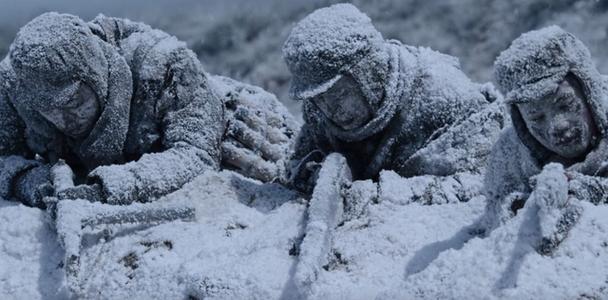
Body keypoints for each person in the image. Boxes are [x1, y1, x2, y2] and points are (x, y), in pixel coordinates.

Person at [0, 12, 295, 208]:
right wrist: (33, 182)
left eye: (74, 101)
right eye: (49, 110)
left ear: (96, 75)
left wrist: (107, 188)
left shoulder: (165, 63)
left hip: (220, 119)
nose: (64, 120)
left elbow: (196, 155)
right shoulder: (16, 85)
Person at [282, 3, 504, 196]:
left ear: (369, 73)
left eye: (340, 94)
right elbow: (299, 162)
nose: (331, 110)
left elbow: (486, 177)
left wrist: (379, 193)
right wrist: (310, 174)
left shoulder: (445, 95)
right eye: (319, 99)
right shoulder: (317, 111)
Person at [484, 26, 608, 247]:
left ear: (589, 91)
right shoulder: (507, 156)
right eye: (535, 118)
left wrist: (590, 191)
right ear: (520, 121)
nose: (556, 126)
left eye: (566, 104)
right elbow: (496, 218)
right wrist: (526, 207)